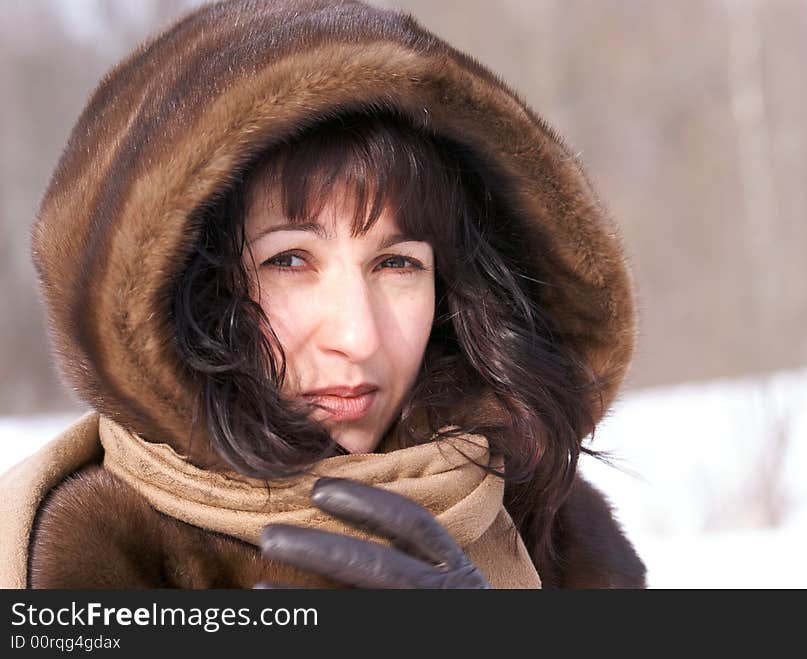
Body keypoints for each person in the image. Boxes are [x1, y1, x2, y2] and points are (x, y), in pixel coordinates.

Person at [0, 0, 645, 588]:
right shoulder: (90, 548)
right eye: (288, 260)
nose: (358, 337)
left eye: (397, 263)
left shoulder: (557, 529)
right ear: (191, 290)